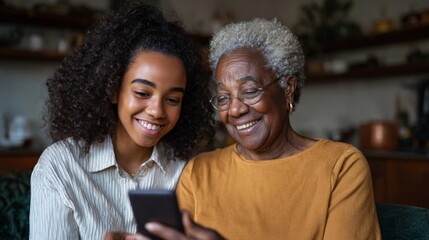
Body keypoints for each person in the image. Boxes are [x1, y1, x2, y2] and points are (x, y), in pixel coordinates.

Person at [109, 18, 382, 240]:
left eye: (250, 91)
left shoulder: (341, 166)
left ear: (288, 88)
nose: (235, 109)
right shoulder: (199, 171)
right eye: (224, 97)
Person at [29, 1, 214, 239]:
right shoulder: (60, 167)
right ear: (113, 90)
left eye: (172, 99)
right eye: (142, 93)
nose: (157, 111)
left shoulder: (186, 170)